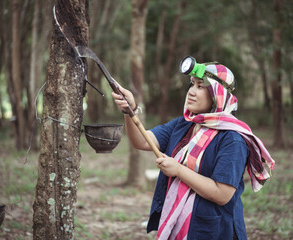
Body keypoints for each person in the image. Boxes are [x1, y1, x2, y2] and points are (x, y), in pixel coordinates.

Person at [111, 59, 275, 240]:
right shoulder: (186, 124)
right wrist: (130, 110)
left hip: (215, 231)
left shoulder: (233, 139)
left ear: (218, 95)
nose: (191, 92)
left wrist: (179, 170)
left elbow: (222, 194)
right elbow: (142, 141)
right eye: (192, 84)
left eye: (200, 86)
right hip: (180, 227)